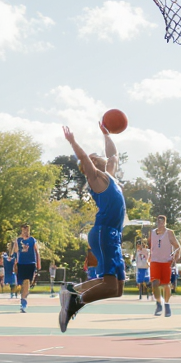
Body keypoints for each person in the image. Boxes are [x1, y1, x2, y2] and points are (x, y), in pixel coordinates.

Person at [57, 123, 126, 332]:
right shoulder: (96, 178)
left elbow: (114, 154)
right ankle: (76, 301)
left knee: (118, 289)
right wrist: (72, 141)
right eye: (97, 156)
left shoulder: (110, 175)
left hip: (112, 235)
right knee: (110, 284)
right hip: (104, 232)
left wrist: (106, 134)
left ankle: (73, 291)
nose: (104, 157)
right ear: (94, 162)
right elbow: (85, 159)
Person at [149, 216, 179, 317]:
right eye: (158, 221)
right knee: (155, 283)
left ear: (165, 223)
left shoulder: (169, 233)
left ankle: (167, 304)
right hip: (155, 261)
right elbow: (151, 246)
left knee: (166, 284)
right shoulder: (152, 233)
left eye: (162, 222)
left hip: (166, 261)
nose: (160, 223)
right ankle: (158, 303)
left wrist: (175, 257)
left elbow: (177, 246)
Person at [12, 223, 41, 313]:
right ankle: (23, 298)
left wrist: (38, 263)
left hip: (31, 263)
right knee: (22, 283)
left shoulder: (32, 240)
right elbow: (15, 252)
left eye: (27, 230)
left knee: (27, 281)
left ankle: (24, 302)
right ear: (21, 231)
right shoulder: (18, 240)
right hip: (21, 264)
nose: (26, 232)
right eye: (24, 230)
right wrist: (14, 263)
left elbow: (37, 252)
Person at [134, 237, 151, 304]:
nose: (138, 247)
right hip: (139, 267)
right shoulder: (137, 252)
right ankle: (141, 293)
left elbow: (149, 256)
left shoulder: (147, 251)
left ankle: (148, 292)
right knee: (140, 281)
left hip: (146, 267)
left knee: (147, 280)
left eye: (139, 245)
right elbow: (136, 259)